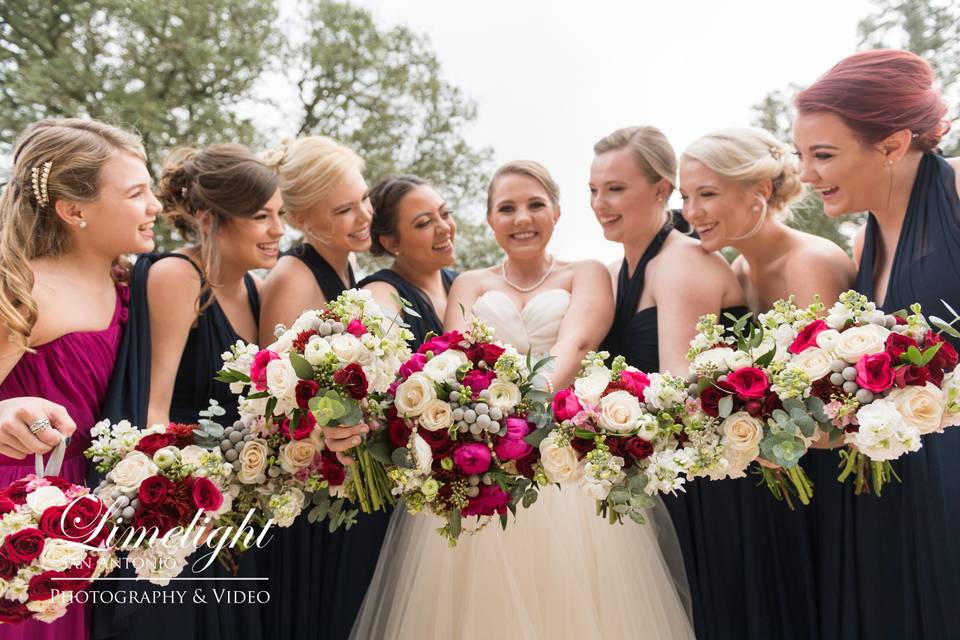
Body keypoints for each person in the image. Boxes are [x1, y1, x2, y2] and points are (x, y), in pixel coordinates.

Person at [350, 160, 695, 640]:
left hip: (566, 463)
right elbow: (459, 365)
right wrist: (493, 432)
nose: (522, 219)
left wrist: (519, 416)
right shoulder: (468, 283)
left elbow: (572, 347)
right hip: (488, 460)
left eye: (535, 205)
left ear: (556, 212)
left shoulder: (587, 273)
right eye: (506, 208)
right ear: (490, 220)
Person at [793, 48, 960, 639]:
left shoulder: (957, 190)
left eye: (823, 155)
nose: (807, 175)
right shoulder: (864, 246)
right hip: (896, 493)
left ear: (891, 144)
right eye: (801, 156)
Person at [93, 144, 284, 640]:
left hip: (231, 497)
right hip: (175, 495)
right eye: (261, 216)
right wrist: (176, 504)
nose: (278, 231)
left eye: (280, 215)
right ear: (209, 219)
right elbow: (152, 403)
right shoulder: (178, 276)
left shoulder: (254, 290)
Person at [676, 126, 857, 639]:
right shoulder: (740, 269)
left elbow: (823, 399)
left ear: (758, 192)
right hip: (786, 479)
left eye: (707, 194)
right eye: (686, 196)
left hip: (835, 484)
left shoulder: (809, 261)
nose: (692, 212)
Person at [592, 126, 761, 639]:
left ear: (663, 190)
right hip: (671, 473)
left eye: (616, 188)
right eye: (593, 190)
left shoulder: (681, 262)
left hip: (710, 484)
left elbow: (681, 393)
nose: (601, 203)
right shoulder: (624, 268)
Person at [0, 118, 158, 640]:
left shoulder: (133, 286)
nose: (154, 206)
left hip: (93, 510)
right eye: (136, 193)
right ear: (74, 211)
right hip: (22, 515)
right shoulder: (26, 292)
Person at [258, 136, 388, 640]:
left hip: (347, 477)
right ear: (302, 221)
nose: (364, 216)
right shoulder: (292, 278)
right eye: (344, 210)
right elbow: (276, 400)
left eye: (364, 200)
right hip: (312, 497)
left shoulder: (347, 264)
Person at [358, 175, 457, 347]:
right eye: (425, 222)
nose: (445, 227)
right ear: (391, 243)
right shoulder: (381, 292)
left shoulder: (462, 283)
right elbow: (379, 346)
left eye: (445, 213)